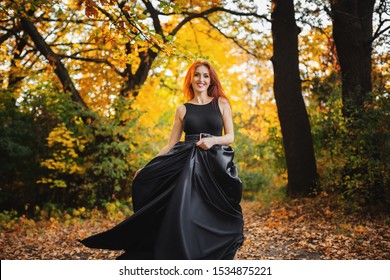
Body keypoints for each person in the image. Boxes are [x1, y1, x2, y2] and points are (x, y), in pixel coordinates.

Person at [79, 59, 244, 260]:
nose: (201, 79)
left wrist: (212, 141)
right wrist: (147, 167)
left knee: (212, 214)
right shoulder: (182, 109)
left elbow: (230, 137)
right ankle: (187, 255)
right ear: (191, 79)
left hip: (214, 166)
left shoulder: (222, 103)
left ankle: (214, 253)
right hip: (187, 166)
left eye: (205, 76)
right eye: (197, 75)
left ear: (211, 81)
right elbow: (171, 144)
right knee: (188, 213)